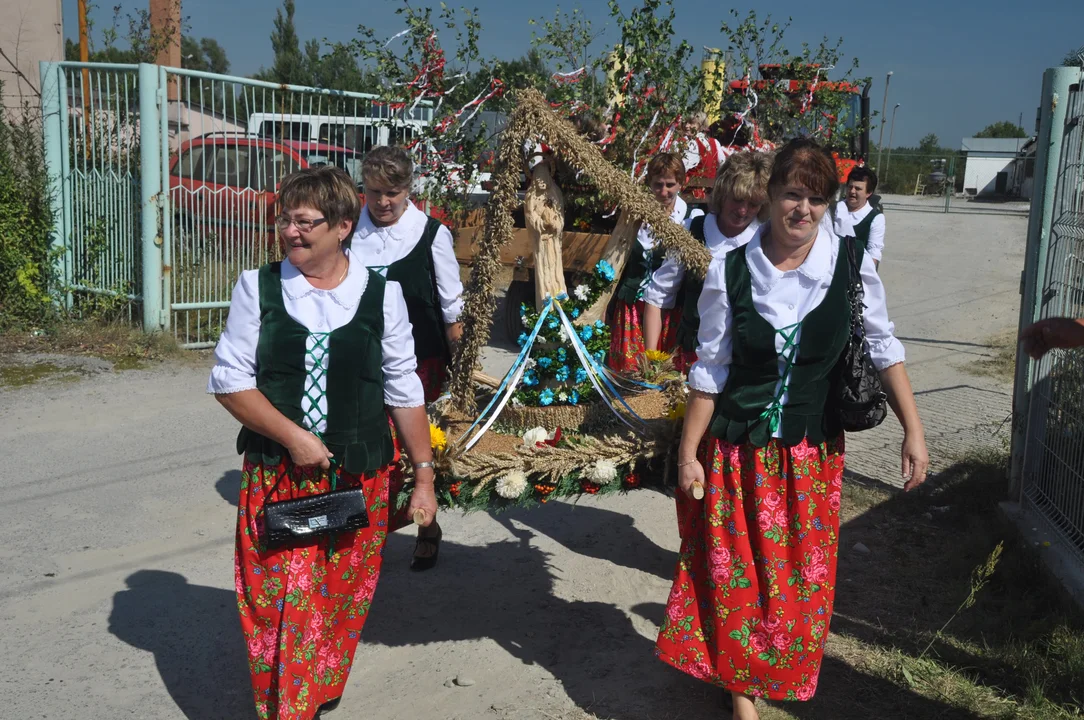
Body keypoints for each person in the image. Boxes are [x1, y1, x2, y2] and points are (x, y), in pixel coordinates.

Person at [655, 138, 929, 720]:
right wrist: (688, 453)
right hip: (736, 452)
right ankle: (741, 694)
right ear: (770, 197)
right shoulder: (730, 269)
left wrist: (914, 429)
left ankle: (764, 673)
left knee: (798, 585)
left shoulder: (850, 264)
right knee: (736, 578)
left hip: (810, 456)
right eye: (792, 194)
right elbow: (710, 369)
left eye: (817, 198)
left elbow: (882, 346)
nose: (803, 209)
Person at [208, 166, 437, 720]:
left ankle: (309, 696)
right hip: (278, 474)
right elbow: (230, 381)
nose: (291, 231)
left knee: (336, 598)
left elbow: (404, 388)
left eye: (305, 221)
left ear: (341, 227)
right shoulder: (256, 287)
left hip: (359, 473)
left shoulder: (382, 295)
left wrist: (425, 476)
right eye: (286, 220)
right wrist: (295, 437)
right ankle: (292, 706)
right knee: (277, 598)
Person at [350, 145, 463, 571]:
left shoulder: (432, 234)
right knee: (366, 453)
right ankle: (364, 531)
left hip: (421, 365)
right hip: (362, 363)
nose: (382, 202)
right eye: (374, 191)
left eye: (392, 192)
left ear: (409, 188)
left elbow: (452, 310)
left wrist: (460, 376)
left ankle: (424, 525)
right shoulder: (347, 231)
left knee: (414, 452)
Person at [643, 150, 772, 372]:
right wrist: (650, 361)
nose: (743, 211)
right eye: (737, 200)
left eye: (753, 204)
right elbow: (658, 297)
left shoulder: (765, 241)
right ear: (723, 194)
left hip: (742, 365)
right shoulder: (693, 231)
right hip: (694, 359)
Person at [607, 152, 703, 372]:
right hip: (632, 305)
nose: (664, 191)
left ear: (682, 183)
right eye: (658, 185)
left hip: (670, 310)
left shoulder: (690, 217)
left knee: (663, 372)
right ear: (649, 183)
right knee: (630, 372)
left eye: (670, 184)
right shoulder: (635, 215)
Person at [833, 166, 886, 267]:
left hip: (856, 273)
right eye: (850, 187)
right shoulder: (834, 210)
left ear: (869, 193)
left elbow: (874, 252)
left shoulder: (875, 218)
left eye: (858, 189)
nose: (852, 191)